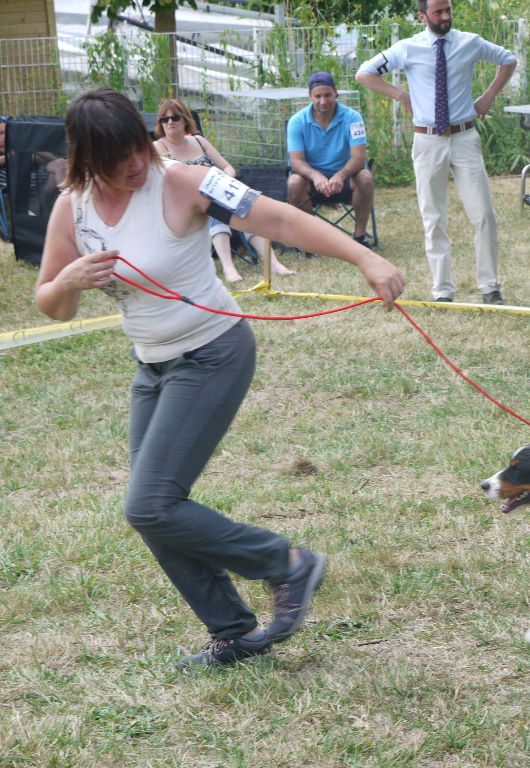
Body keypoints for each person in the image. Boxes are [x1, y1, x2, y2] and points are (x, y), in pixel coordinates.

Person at [36, 88, 405, 669]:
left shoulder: (182, 180)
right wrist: (69, 282)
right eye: (118, 160)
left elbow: (278, 217)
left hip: (213, 352)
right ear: (87, 161)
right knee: (155, 508)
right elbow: (50, 304)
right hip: (152, 366)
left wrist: (365, 258)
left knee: (149, 503)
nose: (137, 165)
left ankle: (286, 564)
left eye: (139, 148)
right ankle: (233, 631)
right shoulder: (72, 208)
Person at [357, 0, 516, 304]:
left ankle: (490, 287)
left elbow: (508, 59)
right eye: (438, 12)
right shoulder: (407, 48)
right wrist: (401, 95)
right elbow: (365, 73)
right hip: (428, 141)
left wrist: (488, 97)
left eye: (448, 10)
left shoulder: (469, 43)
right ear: (422, 16)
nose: (445, 17)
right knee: (433, 217)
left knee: (483, 214)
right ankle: (442, 290)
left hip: (464, 137)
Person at [154, 98, 295, 283]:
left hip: (216, 192)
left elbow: (228, 168)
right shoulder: (159, 147)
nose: (170, 122)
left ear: (185, 120)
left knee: (243, 205)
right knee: (216, 205)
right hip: (186, 204)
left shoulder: (199, 141)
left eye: (175, 117)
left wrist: (223, 180)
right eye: (165, 119)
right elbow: (165, 182)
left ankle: (273, 263)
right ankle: (228, 267)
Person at [287, 72, 375, 247]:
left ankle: (359, 237)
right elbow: (296, 162)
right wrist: (316, 176)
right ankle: (309, 238)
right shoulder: (296, 121)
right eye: (317, 96)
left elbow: (359, 158)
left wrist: (340, 176)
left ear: (336, 93)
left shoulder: (354, 118)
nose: (323, 101)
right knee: (293, 182)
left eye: (327, 95)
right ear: (310, 96)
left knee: (365, 177)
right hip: (312, 183)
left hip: (345, 180)